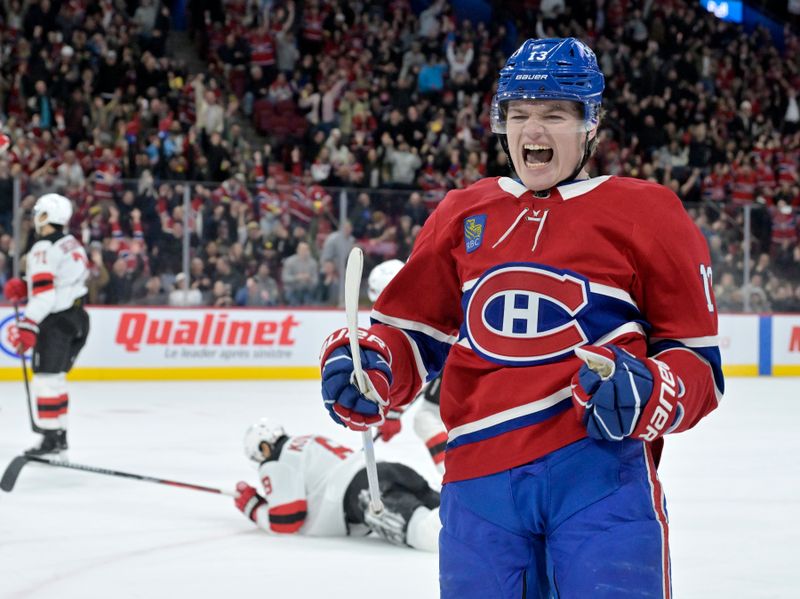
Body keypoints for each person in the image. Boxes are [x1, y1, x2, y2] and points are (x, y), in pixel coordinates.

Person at [319, 38, 724, 597]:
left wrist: (653, 389)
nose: (532, 131)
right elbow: (410, 336)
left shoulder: (648, 213)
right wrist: (372, 365)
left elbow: (699, 363)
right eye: (519, 114)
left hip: (599, 477)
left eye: (554, 114)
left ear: (590, 125)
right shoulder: (464, 212)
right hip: (477, 491)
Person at [232, 418, 440, 552]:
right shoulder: (306, 441)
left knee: (428, 534)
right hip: (385, 470)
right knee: (449, 510)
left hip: (364, 494)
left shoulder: (276, 461)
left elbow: (287, 519)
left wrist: (253, 507)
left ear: (264, 447)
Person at [3, 193, 90, 456]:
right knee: (58, 379)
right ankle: (60, 434)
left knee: (45, 381)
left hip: (56, 321)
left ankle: (50, 438)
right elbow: (59, 281)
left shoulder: (42, 247)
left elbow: (45, 295)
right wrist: (27, 286)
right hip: (78, 317)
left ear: (46, 216)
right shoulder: (72, 242)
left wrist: (28, 325)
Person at [368, 259, 448, 475]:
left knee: (428, 418)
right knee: (430, 416)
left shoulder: (412, 313)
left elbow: (418, 367)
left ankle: (458, 480)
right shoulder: (428, 294)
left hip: (460, 364)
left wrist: (392, 413)